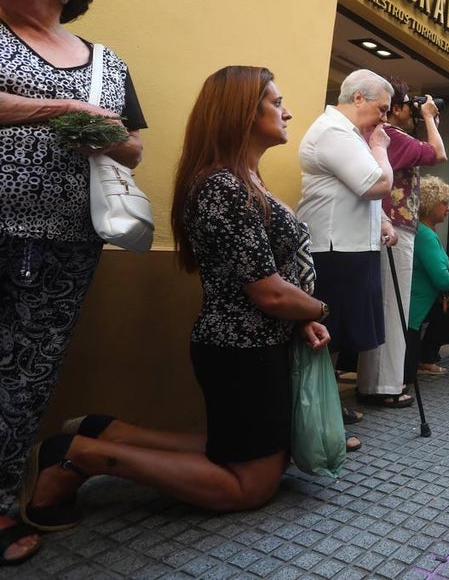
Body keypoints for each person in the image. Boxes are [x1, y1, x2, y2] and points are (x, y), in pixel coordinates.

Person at [17, 67, 331, 543]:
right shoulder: (223, 186)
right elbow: (267, 290)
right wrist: (319, 310)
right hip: (242, 348)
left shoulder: (243, 179)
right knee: (251, 484)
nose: (287, 111)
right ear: (243, 112)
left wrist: (301, 317)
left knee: (236, 449)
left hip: (253, 343)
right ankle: (77, 456)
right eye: (275, 101)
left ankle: (105, 430)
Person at [0, 0, 146, 566]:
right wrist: (61, 109)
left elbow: (134, 146)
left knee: (25, 379)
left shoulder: (108, 64)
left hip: (65, 244)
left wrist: (100, 133)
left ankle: (3, 500)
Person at [296, 70, 395, 409]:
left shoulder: (348, 134)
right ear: (357, 98)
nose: (384, 118)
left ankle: (327, 407)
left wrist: (381, 220)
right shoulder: (334, 132)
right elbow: (377, 185)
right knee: (327, 335)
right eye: (382, 109)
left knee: (337, 336)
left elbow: (352, 189)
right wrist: (380, 149)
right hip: (334, 249)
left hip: (351, 247)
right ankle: (315, 414)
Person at [357, 80, 447, 407]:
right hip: (394, 226)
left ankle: (374, 382)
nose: (412, 108)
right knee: (393, 308)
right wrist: (429, 117)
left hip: (382, 224)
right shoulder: (393, 136)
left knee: (383, 306)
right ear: (395, 108)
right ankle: (384, 387)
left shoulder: (376, 136)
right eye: (408, 103)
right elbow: (439, 152)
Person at [410, 176, 449, 377]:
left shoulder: (421, 230)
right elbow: (442, 279)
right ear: (430, 204)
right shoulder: (426, 235)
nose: (448, 209)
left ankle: (425, 357)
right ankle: (427, 358)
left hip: (418, 300)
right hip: (419, 304)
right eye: (444, 203)